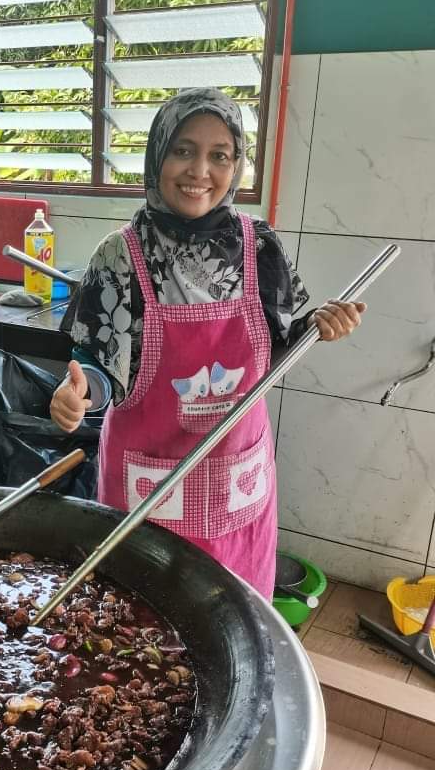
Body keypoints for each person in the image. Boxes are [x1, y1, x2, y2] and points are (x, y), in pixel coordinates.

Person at [50, 89, 364, 598]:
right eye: (183, 150)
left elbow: (277, 351)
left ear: (236, 165)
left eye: (219, 155)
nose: (200, 170)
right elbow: (101, 369)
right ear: (157, 156)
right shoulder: (120, 256)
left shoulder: (259, 245)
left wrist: (318, 327)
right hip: (146, 492)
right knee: (139, 625)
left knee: (236, 623)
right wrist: (80, 396)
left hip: (237, 487)